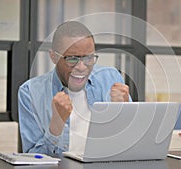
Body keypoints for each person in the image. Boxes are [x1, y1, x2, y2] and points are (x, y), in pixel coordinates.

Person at [18, 21, 130, 157]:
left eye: (89, 58)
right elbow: (32, 160)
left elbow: (129, 143)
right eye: (72, 59)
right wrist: (56, 126)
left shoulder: (110, 78)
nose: (81, 67)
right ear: (53, 56)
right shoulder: (30, 92)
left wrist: (123, 113)